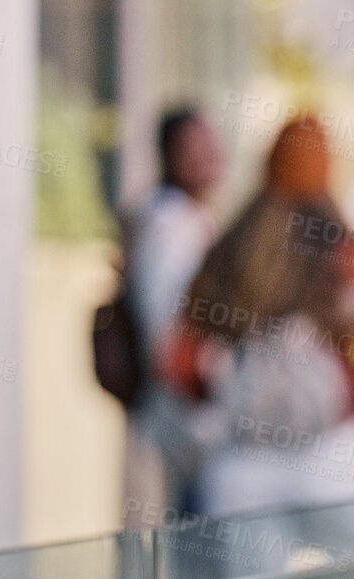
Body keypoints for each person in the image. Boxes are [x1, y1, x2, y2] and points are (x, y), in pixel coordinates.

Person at [163, 116, 354, 572]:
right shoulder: (349, 253)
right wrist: (337, 407)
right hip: (338, 461)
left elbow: (179, 362)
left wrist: (228, 401)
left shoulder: (228, 249)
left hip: (241, 466)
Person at [122, 106, 225, 523]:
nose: (209, 158)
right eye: (194, 149)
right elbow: (164, 333)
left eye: (211, 146)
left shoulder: (190, 217)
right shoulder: (168, 224)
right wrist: (204, 389)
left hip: (192, 408)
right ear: (169, 156)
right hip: (188, 411)